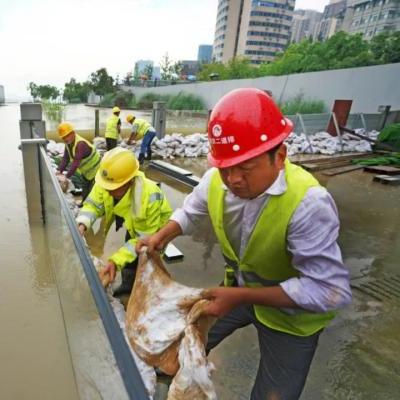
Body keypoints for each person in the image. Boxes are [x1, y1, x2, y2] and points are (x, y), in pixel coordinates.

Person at [137, 88, 352, 400]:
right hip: (238, 292)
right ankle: (168, 372)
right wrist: (161, 236)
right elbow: (191, 211)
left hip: (291, 317)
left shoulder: (308, 204)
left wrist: (238, 295)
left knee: (273, 395)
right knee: (186, 339)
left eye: (245, 167)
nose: (233, 179)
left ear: (279, 156)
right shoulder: (216, 180)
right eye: (225, 168)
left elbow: (328, 290)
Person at [76, 147, 172, 296]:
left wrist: (115, 261)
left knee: (147, 258)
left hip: (155, 229)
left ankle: (145, 293)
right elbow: (93, 204)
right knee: (129, 249)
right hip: (133, 222)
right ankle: (128, 286)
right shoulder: (108, 180)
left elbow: (142, 239)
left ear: (130, 182)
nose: (107, 191)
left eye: (113, 189)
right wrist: (82, 224)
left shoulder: (147, 197)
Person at [57, 122, 101, 203]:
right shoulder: (68, 144)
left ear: (73, 133)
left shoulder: (80, 144)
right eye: (63, 137)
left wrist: (65, 177)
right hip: (86, 172)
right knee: (85, 188)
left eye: (67, 136)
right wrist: (59, 171)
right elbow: (65, 158)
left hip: (96, 169)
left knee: (93, 191)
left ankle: (93, 208)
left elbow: (75, 163)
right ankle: (84, 203)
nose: (65, 139)